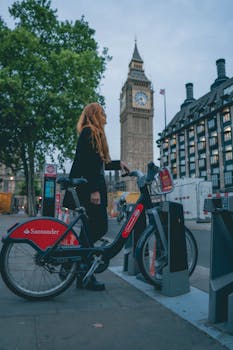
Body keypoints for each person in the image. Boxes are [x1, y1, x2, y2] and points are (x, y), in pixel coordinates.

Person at [63, 102, 129, 291]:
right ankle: (77, 266)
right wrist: (94, 191)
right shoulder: (90, 132)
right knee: (100, 227)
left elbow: (100, 162)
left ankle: (79, 270)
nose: (106, 118)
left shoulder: (91, 133)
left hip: (90, 187)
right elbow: (89, 163)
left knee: (89, 231)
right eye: (103, 114)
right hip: (89, 189)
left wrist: (119, 164)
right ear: (95, 114)